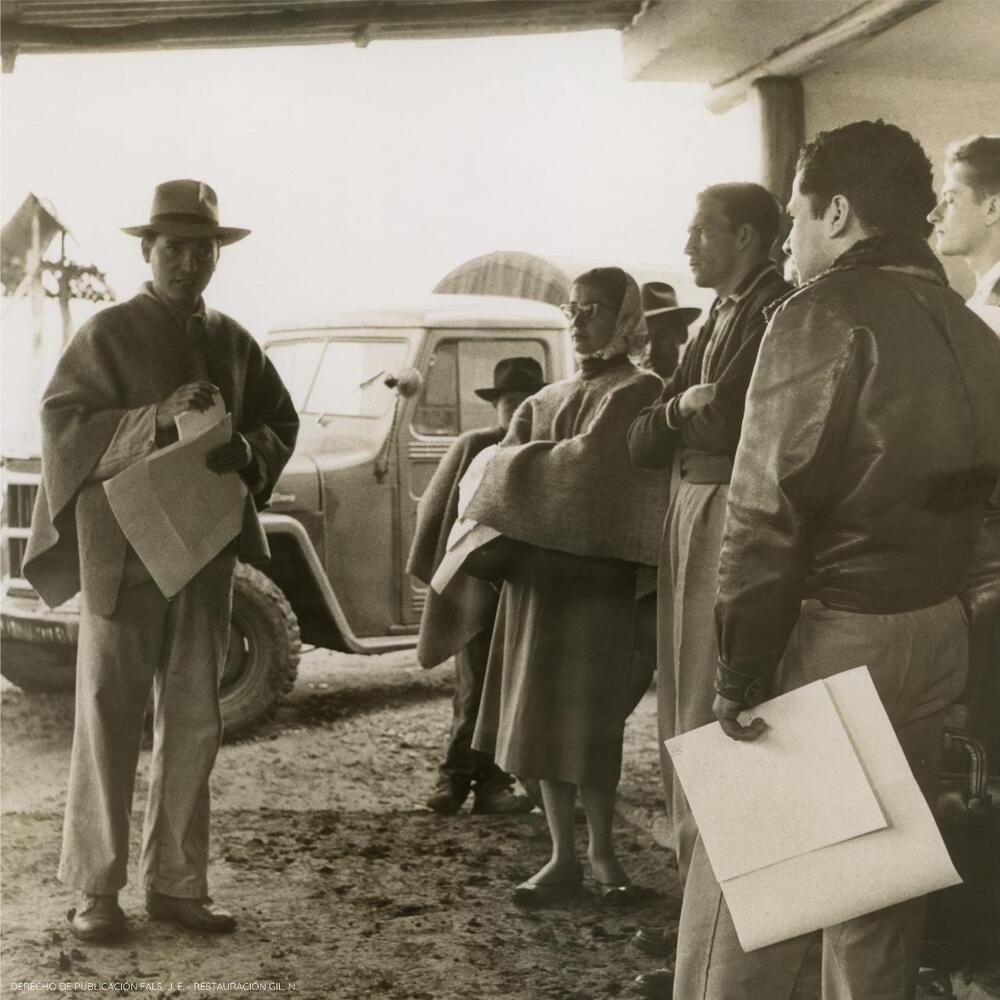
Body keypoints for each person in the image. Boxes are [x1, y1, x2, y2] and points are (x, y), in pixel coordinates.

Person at [672, 120, 1000, 1000]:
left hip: (835, 642)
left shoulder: (818, 315)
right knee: (873, 920)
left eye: (798, 219)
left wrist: (739, 673)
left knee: (742, 928)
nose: (788, 241)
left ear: (841, 213)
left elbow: (766, 510)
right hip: (933, 635)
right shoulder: (975, 334)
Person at [23, 179, 299, 942]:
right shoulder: (107, 335)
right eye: (173, 246)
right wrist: (155, 418)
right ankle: (96, 891)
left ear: (218, 255)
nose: (188, 261)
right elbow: (62, 424)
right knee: (109, 716)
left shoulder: (236, 342)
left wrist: (251, 449)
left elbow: (280, 420)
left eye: (203, 247)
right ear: (148, 251)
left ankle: (177, 886)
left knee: (194, 719)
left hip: (204, 555)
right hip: (123, 553)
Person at [626, 184, 790, 998]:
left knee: (709, 719)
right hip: (689, 506)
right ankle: (696, 950)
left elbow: (726, 426)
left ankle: (723, 958)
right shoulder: (716, 319)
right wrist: (679, 410)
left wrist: (684, 411)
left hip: (729, 511)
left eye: (705, 231)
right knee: (678, 719)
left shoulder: (774, 314)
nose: (689, 245)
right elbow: (640, 440)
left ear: (752, 236)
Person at [464, 267, 671, 905]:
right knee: (540, 720)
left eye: (595, 309)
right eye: (572, 308)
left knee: (590, 721)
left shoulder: (639, 389)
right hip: (537, 583)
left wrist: (513, 472)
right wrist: (519, 470)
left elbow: (587, 473)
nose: (579, 320)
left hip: (598, 587)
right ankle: (561, 858)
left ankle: (606, 857)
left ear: (624, 317)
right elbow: (498, 471)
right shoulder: (545, 398)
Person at [407, 357, 546, 816]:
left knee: (516, 689)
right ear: (496, 406)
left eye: (527, 401)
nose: (517, 410)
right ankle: (453, 779)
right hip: (477, 586)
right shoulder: (474, 446)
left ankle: (493, 785)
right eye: (509, 402)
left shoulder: (548, 450)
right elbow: (435, 511)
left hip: (526, 587)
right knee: (474, 686)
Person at [928, 134, 1000, 334]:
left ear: (992, 209)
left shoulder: (992, 312)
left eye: (950, 200)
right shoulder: (982, 301)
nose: (932, 216)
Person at [640, 281, 702, 379]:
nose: (651, 350)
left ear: (682, 334)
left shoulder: (696, 380)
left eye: (662, 336)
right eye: (644, 339)